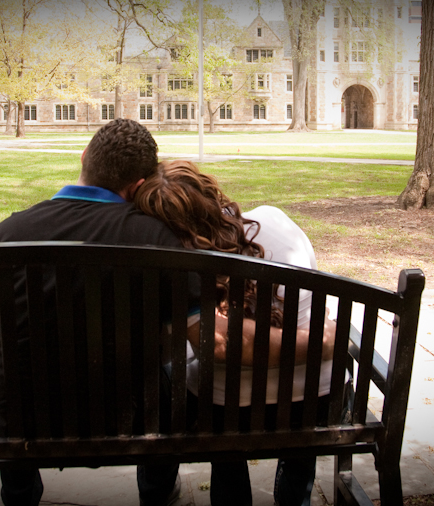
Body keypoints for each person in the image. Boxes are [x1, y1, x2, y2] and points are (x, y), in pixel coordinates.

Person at [0, 119, 193, 506]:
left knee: (9, 371)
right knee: (165, 373)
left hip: (24, 416)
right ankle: (158, 492)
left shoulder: (9, 232)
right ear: (139, 186)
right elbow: (188, 326)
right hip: (128, 415)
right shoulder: (153, 237)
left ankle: (18, 493)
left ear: (83, 157)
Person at [133, 160, 344, 506]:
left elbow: (205, 346)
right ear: (210, 191)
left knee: (188, 383)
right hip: (317, 403)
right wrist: (324, 339)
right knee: (297, 400)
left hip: (229, 413)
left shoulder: (179, 265)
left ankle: (169, 492)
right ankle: (294, 498)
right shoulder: (274, 219)